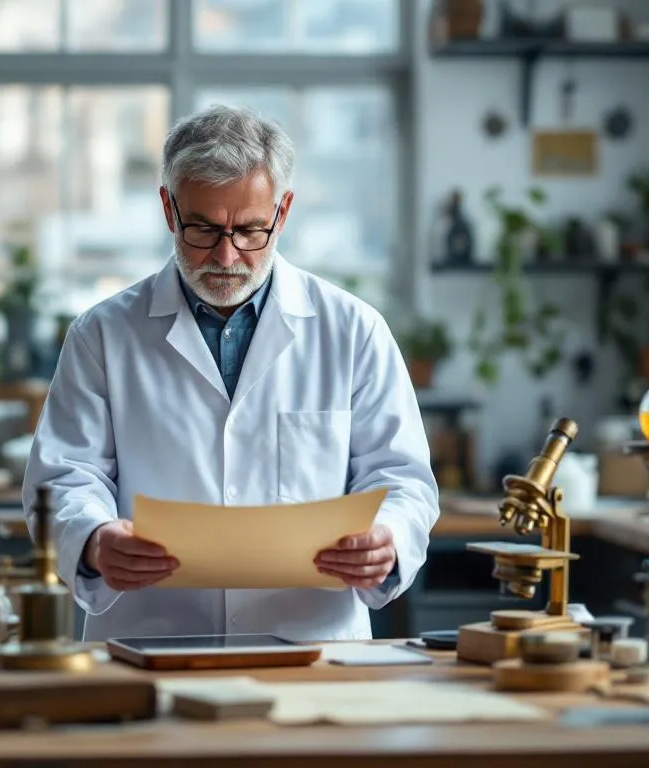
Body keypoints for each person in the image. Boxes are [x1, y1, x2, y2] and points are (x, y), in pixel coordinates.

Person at [22, 104, 439, 641]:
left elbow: (402, 477)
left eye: (249, 229)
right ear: (169, 210)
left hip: (313, 649)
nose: (226, 254)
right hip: (149, 643)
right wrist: (93, 538)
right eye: (202, 228)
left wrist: (389, 537)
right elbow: (64, 477)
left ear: (282, 212)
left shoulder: (353, 330)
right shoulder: (103, 334)